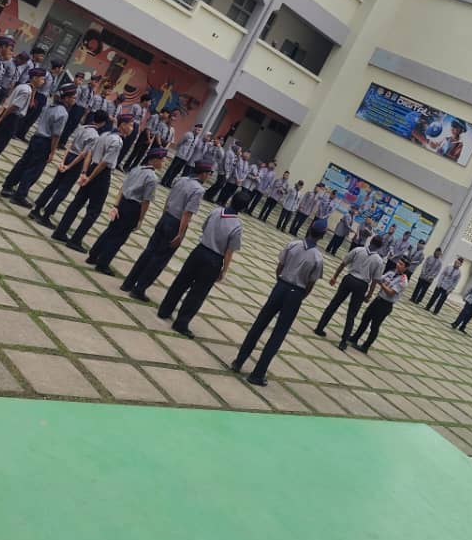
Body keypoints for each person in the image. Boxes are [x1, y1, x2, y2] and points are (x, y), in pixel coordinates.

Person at [232, 220, 326, 386]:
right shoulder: (318, 258)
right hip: (296, 293)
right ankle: (258, 373)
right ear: (323, 236)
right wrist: (299, 295)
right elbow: (311, 284)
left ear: (309, 229)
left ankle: (238, 362)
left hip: (281, 286)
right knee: (278, 334)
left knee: (259, 324)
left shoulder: (293, 244)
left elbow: (279, 267)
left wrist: (281, 282)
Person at [119, 160, 213, 301]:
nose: (209, 177)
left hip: (166, 217)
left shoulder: (181, 180)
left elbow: (168, 199)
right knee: (159, 259)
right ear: (203, 174)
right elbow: (187, 213)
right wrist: (180, 234)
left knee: (149, 251)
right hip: (176, 223)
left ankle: (128, 283)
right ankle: (139, 289)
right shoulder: (198, 190)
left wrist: (163, 216)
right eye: (209, 174)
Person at [157, 189, 246, 335]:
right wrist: (224, 270)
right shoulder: (237, 226)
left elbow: (204, 227)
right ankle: (181, 322)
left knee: (181, 281)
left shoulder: (216, 211)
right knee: (198, 293)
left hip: (199, 250)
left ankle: (164, 310)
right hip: (214, 259)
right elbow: (229, 251)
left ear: (231, 199)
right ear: (243, 208)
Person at [51, 115, 135, 252]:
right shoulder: (117, 141)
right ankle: (76, 239)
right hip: (100, 175)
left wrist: (85, 172)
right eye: (130, 125)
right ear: (122, 125)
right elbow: (104, 163)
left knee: (77, 202)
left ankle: (60, 231)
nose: (132, 128)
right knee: (94, 210)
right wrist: (89, 178)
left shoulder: (104, 134)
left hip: (91, 169)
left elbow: (89, 153)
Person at [85, 147, 166, 276]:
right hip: (133, 208)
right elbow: (146, 201)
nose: (163, 163)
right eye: (162, 160)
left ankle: (93, 256)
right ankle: (103, 263)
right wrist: (140, 219)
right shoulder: (152, 178)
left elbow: (123, 188)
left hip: (122, 203)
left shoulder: (136, 169)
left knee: (110, 231)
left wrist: (116, 205)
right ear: (155, 160)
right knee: (119, 237)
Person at [0, 84, 76, 206]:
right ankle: (20, 195)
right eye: (73, 97)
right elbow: (56, 135)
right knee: (33, 170)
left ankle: (8, 185)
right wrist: (52, 152)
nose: (74, 100)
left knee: (24, 162)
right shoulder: (63, 113)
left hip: (36, 137)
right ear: (66, 98)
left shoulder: (49, 106)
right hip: (45, 142)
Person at [29, 113, 106, 227]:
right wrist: (69, 166)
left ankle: (37, 208)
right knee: (63, 189)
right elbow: (83, 154)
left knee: (54, 184)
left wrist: (63, 161)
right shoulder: (95, 136)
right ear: (103, 123)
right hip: (76, 161)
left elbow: (70, 144)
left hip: (69, 156)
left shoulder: (82, 127)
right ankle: (46, 215)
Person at [0, 68, 46, 180]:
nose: (43, 81)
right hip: (11, 119)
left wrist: (0, 115)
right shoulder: (27, 91)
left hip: (6, 116)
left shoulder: (22, 86)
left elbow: (7, 102)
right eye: (42, 78)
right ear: (34, 78)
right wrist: (1, 119)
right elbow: (14, 106)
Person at [315, 235, 385, 348]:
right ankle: (343, 342)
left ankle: (320, 327)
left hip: (349, 279)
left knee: (334, 303)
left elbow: (343, 263)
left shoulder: (358, 250)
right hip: (362, 285)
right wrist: (369, 295)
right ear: (380, 247)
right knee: (352, 313)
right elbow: (375, 280)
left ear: (370, 240)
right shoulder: (379, 261)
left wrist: (335, 277)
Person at [349, 258, 409, 354]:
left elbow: (391, 292)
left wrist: (382, 284)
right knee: (365, 318)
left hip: (385, 305)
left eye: (401, 264)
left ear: (405, 268)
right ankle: (355, 338)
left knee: (374, 326)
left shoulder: (403, 281)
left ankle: (365, 346)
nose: (398, 265)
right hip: (378, 300)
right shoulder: (391, 273)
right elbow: (379, 278)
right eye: (398, 262)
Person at [16, 57, 61, 139]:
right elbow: (36, 86)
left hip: (44, 98)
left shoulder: (55, 77)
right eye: (61, 68)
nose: (61, 70)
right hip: (38, 95)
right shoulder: (46, 74)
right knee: (28, 115)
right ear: (57, 68)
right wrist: (32, 99)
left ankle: (22, 134)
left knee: (34, 117)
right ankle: (17, 132)